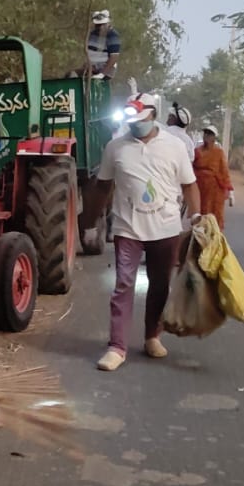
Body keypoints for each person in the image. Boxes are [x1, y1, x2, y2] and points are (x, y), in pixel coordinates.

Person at [81, 93, 199, 372]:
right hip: (127, 227)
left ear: (153, 115)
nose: (136, 125)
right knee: (123, 284)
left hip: (166, 228)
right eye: (132, 122)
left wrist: (196, 216)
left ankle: (152, 336)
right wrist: (89, 221)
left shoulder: (175, 146)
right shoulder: (115, 147)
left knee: (160, 284)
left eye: (140, 120)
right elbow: (103, 186)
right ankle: (117, 346)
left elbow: (190, 185)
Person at [193, 126, 234, 230]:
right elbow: (190, 170)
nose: (206, 135)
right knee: (201, 215)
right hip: (200, 188)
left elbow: (224, 171)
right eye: (205, 133)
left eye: (210, 134)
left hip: (215, 190)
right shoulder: (197, 151)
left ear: (214, 138)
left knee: (215, 216)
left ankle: (215, 236)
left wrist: (231, 192)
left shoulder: (219, 152)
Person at [82, 10, 121, 80]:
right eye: (98, 25)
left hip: (105, 71)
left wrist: (102, 74)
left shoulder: (112, 36)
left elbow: (114, 57)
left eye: (103, 24)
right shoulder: (91, 34)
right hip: (91, 68)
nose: (100, 27)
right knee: (72, 75)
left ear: (107, 23)